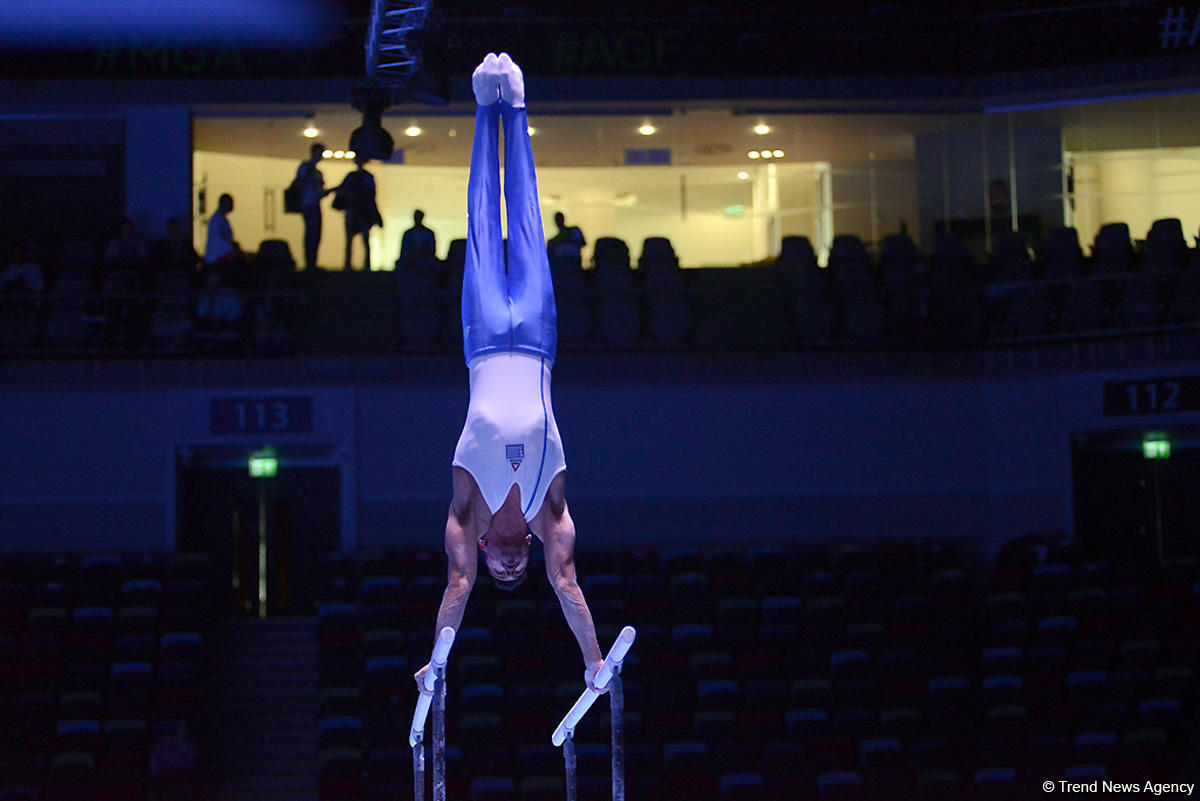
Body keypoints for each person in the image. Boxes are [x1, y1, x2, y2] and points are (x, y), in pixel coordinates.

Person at [414, 53, 606, 695]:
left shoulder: (465, 512)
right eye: (511, 571)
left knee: (481, 221)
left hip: (483, 340)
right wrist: (592, 660)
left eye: (500, 570)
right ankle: (515, 103)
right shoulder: (551, 515)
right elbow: (568, 583)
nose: (506, 568)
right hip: (538, 341)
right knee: (523, 222)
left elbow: (457, 584)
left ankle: (482, 107)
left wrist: (438, 664)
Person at [334, 153, 383, 270]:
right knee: (354, 240)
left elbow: (370, 194)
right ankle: (352, 264)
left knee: (361, 240)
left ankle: (362, 264)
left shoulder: (362, 177)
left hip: (361, 212)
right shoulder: (357, 176)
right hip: (356, 211)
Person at [295, 143, 334, 270]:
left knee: (316, 233)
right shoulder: (306, 168)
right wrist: (313, 183)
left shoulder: (317, 172)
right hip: (308, 204)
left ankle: (312, 261)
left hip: (314, 204)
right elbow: (299, 183)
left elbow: (319, 193)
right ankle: (309, 261)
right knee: (311, 232)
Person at [203, 194, 240, 274]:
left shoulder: (222, 219)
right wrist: (231, 247)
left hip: (220, 259)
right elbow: (216, 240)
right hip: (215, 261)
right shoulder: (216, 220)